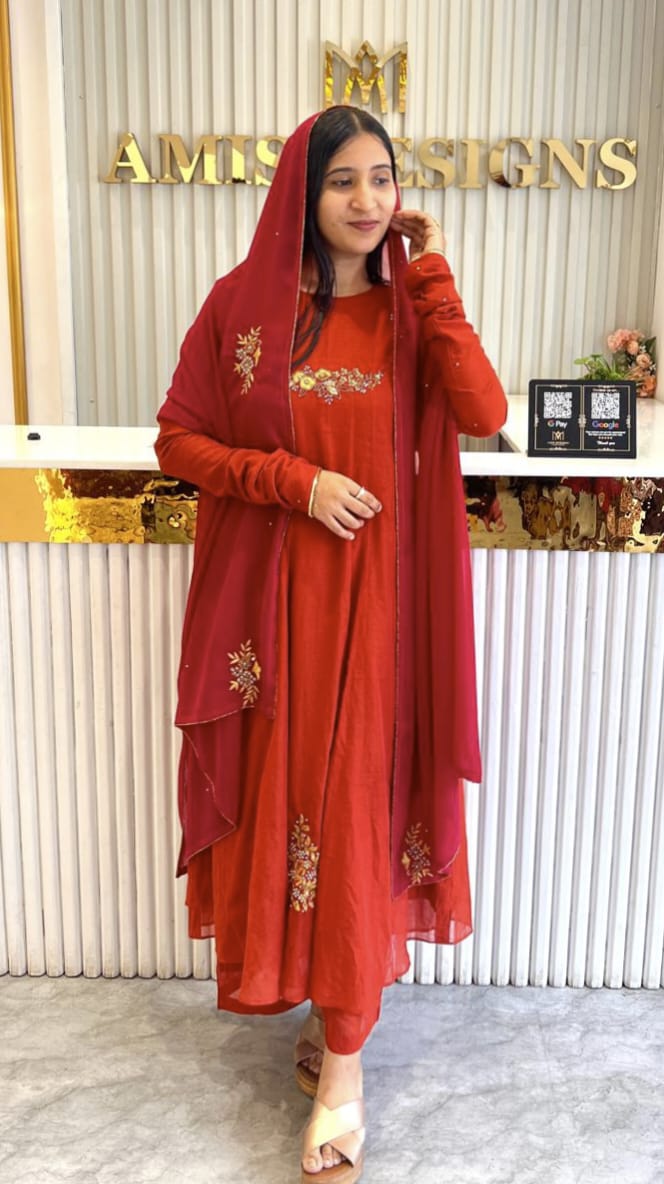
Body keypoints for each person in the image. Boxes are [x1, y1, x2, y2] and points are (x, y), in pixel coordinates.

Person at [155, 105, 506, 1183]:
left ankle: (345, 1064)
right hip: (271, 623)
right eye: (344, 179)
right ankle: (324, 1010)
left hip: (379, 618)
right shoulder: (243, 308)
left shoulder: (409, 311)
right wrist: (293, 481)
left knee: (352, 816)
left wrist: (431, 276)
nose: (367, 199)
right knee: (292, 810)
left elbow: (483, 409)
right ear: (302, 196)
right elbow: (179, 438)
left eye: (382, 178)